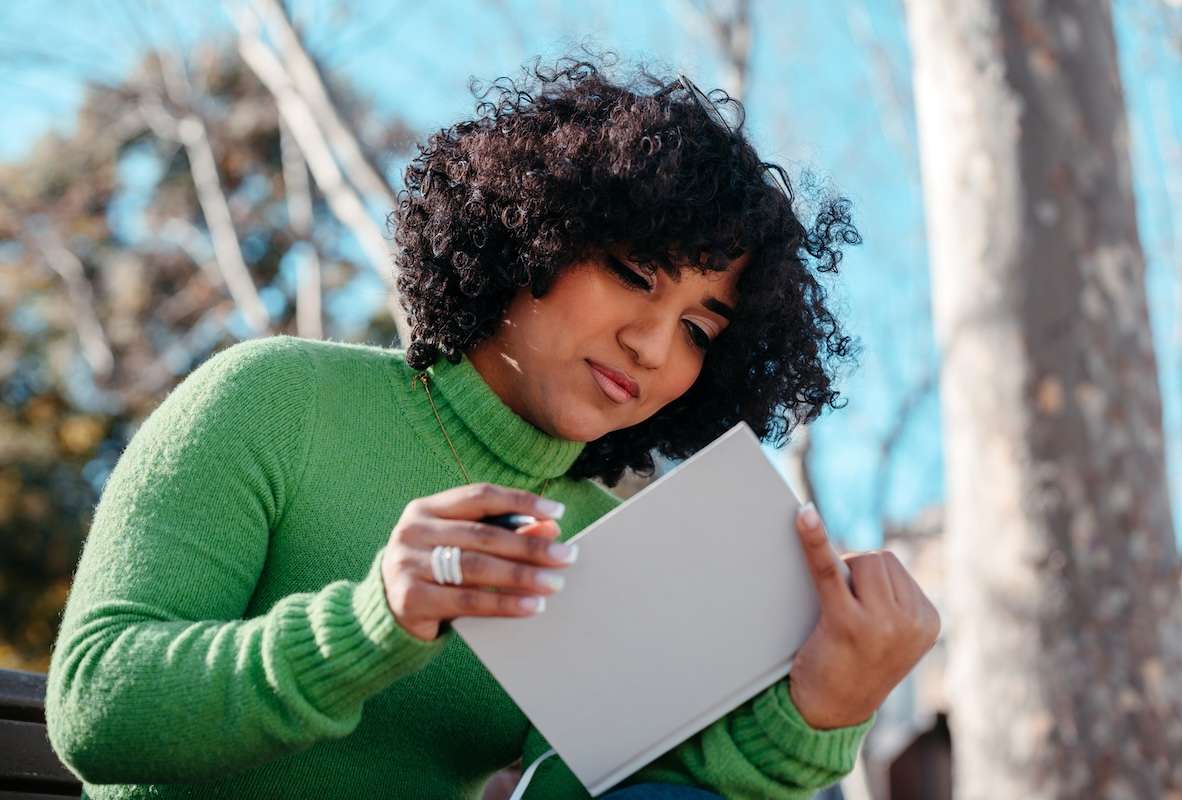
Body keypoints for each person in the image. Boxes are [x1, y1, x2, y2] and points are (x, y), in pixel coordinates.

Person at [45, 54, 939, 799]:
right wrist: (373, 622)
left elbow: (618, 792)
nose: (653, 344)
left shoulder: (603, 538)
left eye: (702, 329)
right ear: (533, 233)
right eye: (635, 272)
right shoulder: (279, 398)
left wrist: (824, 706)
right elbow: (96, 709)